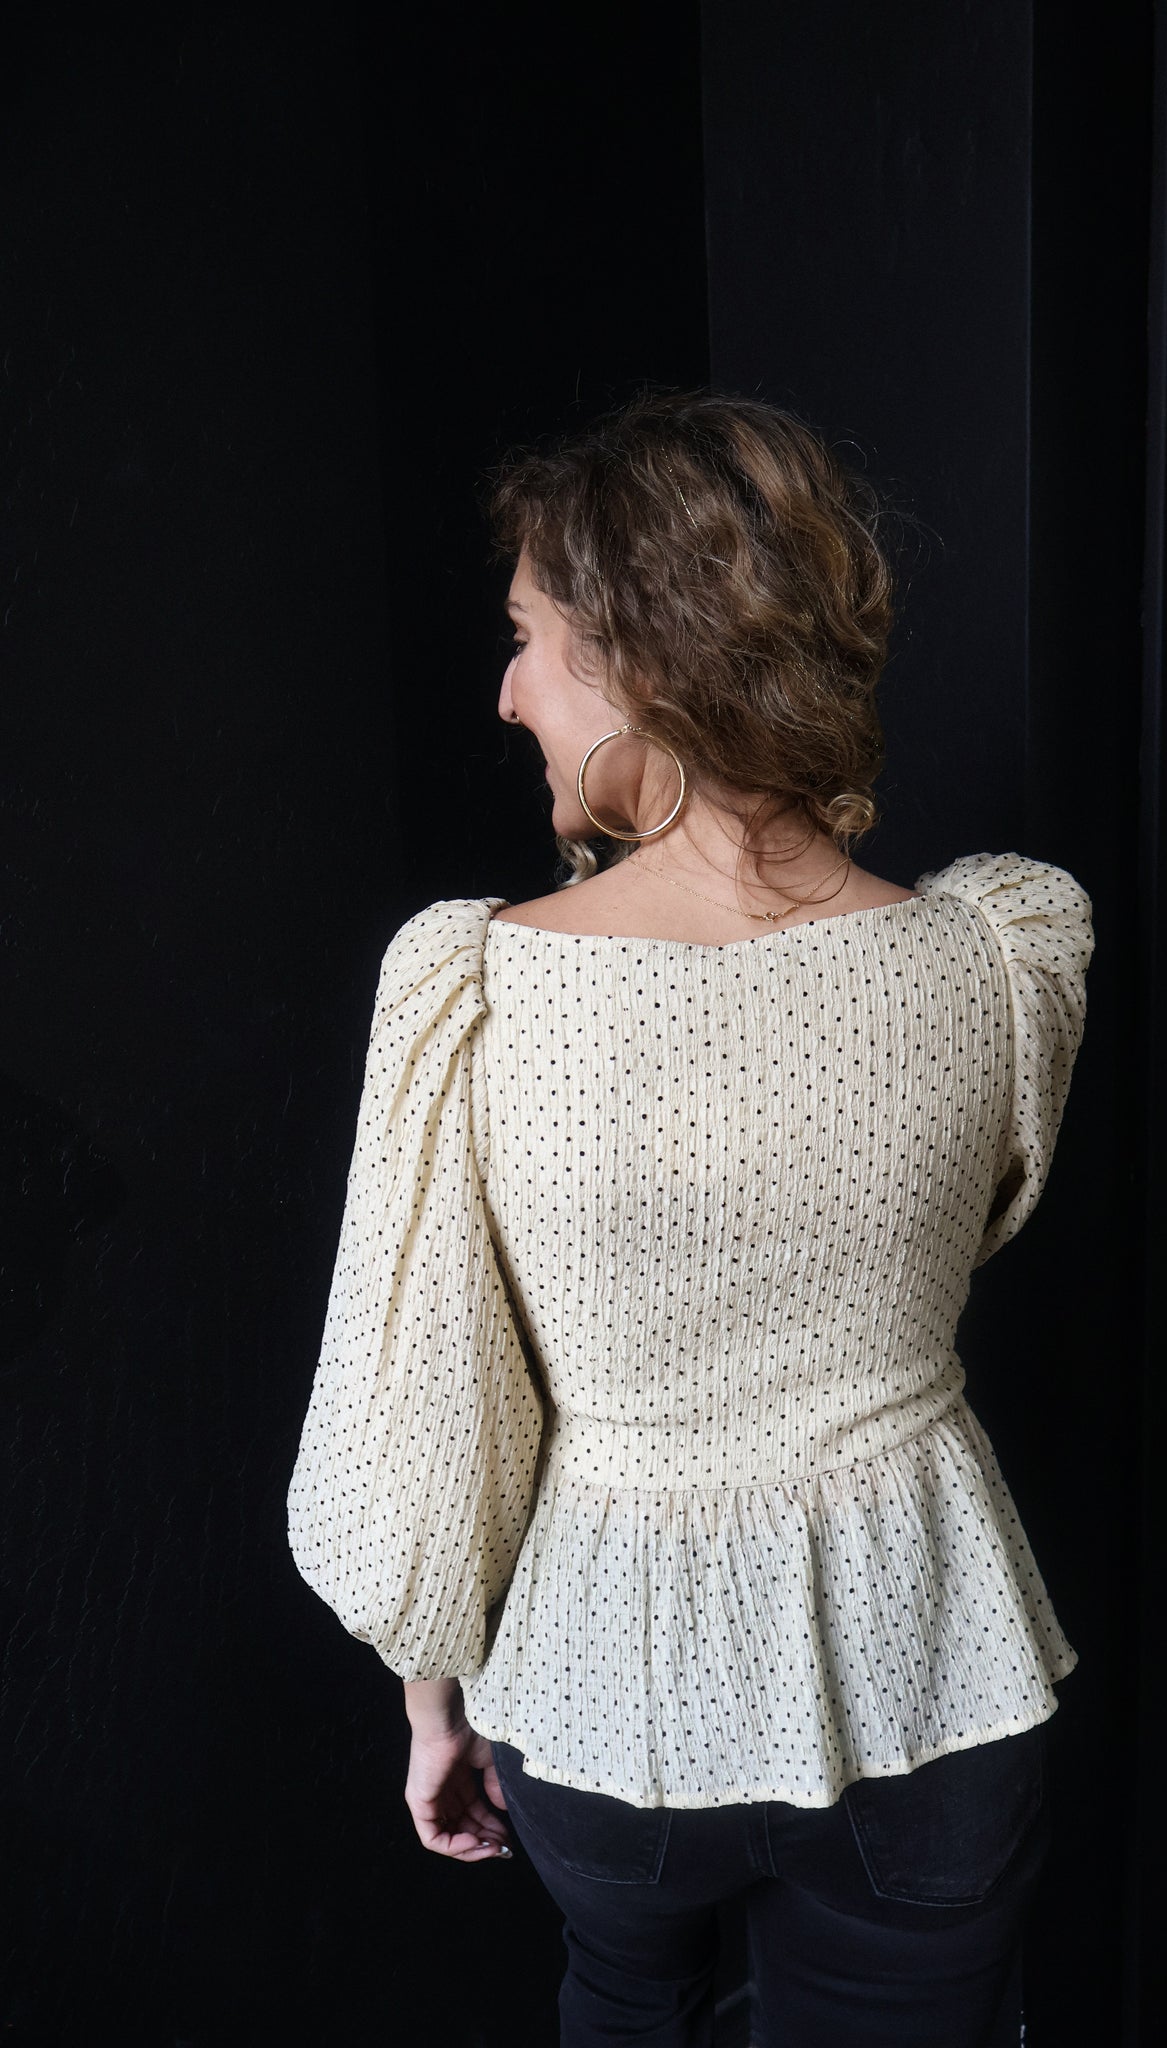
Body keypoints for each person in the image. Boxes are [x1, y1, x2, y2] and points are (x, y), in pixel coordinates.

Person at [286, 388, 1094, 2048]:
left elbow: (423, 1407)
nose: (506, 691)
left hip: (608, 1691)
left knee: (622, 2003)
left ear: (639, 661)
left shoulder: (480, 988)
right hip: (932, 1655)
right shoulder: (994, 954)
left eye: (527, 638)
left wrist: (430, 1705)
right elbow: (985, 1223)